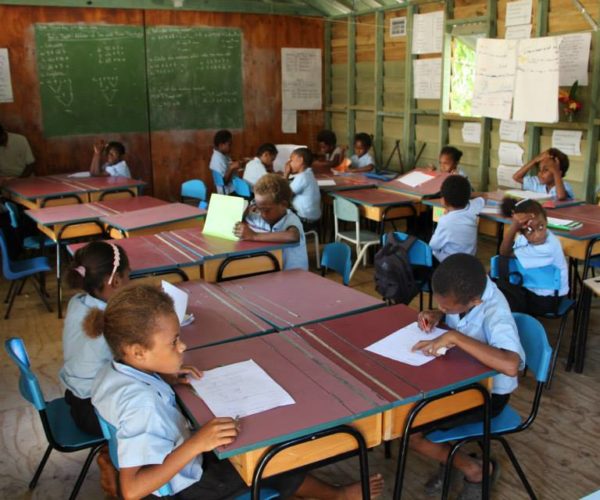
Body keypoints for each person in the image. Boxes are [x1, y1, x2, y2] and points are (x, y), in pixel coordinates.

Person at [91, 284, 384, 499]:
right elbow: (131, 490)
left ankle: (303, 490)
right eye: (174, 341)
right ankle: (336, 496)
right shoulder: (143, 405)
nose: (182, 347)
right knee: (269, 453)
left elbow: (133, 405)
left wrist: (166, 380)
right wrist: (196, 444)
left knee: (258, 454)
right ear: (138, 352)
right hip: (185, 489)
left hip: (175, 465)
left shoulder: (114, 369)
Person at [410, 254, 525, 499]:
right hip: (461, 381)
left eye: (446, 307)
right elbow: (457, 315)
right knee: (415, 408)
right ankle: (451, 459)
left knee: (412, 430)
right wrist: (438, 314)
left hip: (489, 395)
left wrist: (455, 338)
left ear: (474, 300)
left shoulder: (496, 313)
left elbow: (511, 364)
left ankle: (475, 470)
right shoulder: (468, 289)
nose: (442, 309)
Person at [60, 241, 130, 436]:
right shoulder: (109, 324)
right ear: (116, 281)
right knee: (160, 402)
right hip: (96, 414)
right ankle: (114, 455)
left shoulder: (78, 302)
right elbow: (139, 364)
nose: (129, 282)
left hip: (75, 397)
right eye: (128, 276)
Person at [496, 198, 569, 315]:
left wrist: (514, 227)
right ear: (522, 232)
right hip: (531, 291)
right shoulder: (522, 239)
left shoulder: (548, 247)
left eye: (541, 226)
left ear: (546, 221)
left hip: (548, 300)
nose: (538, 235)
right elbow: (504, 253)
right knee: (496, 285)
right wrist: (515, 226)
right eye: (530, 230)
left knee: (499, 294)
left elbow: (504, 253)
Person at [234, 173, 308, 271]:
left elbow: (293, 236)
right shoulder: (259, 217)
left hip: (294, 275)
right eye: (259, 208)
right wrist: (247, 208)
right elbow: (237, 219)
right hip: (273, 271)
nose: (262, 214)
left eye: (267, 210)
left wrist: (254, 236)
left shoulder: (290, 219)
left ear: (283, 205)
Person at [429, 176, 484, 262]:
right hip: (469, 261)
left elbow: (433, 245)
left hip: (449, 263)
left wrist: (445, 216)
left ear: (443, 200)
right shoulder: (473, 207)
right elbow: (482, 199)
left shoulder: (445, 221)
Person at [284, 147, 321, 231]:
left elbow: (285, 195)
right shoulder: (308, 174)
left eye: (291, 160)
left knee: (278, 215)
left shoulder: (302, 177)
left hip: (305, 220)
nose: (289, 163)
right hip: (312, 218)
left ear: (300, 160)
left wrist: (286, 174)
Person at [209, 129, 239, 194]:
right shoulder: (217, 159)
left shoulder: (222, 155)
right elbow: (224, 182)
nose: (231, 147)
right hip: (229, 192)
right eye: (229, 144)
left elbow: (228, 164)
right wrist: (231, 168)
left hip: (231, 189)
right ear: (221, 145)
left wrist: (233, 163)